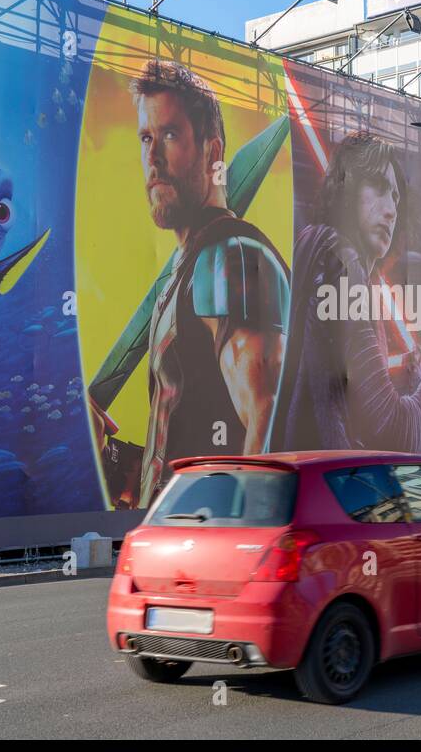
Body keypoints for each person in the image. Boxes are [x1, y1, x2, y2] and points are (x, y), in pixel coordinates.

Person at [93, 60, 290, 507]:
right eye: (146, 137)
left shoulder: (229, 257)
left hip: (214, 544)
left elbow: (266, 415)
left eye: (170, 135)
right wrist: (106, 456)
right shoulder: (190, 267)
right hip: (180, 542)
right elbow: (180, 449)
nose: (153, 157)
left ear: (213, 151)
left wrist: (241, 540)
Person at [272, 133, 421, 452]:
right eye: (380, 189)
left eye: (396, 199)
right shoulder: (341, 258)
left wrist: (406, 377)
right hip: (330, 477)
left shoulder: (316, 247)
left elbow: (349, 397)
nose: (390, 211)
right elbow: (389, 428)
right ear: (348, 186)